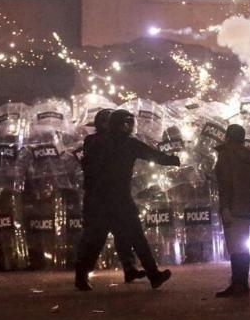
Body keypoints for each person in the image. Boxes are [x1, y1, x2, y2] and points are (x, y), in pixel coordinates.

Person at [75, 109, 179, 291]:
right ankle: (153, 274)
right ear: (122, 124)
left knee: (95, 240)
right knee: (136, 237)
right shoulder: (128, 143)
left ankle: (81, 277)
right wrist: (172, 160)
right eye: (128, 123)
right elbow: (151, 154)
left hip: (98, 199)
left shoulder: (93, 141)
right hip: (118, 199)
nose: (130, 127)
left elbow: (86, 165)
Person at [85, 109, 145, 283]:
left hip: (115, 198)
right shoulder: (95, 141)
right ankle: (82, 274)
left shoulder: (117, 141)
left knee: (122, 234)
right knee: (97, 238)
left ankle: (129, 268)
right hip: (100, 199)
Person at [214, 124, 250, 298]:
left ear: (228, 136)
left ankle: (238, 284)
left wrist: (224, 207)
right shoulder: (249, 156)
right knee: (242, 246)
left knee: (235, 247)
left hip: (232, 206)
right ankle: (241, 283)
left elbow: (225, 184)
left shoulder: (225, 155)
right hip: (246, 206)